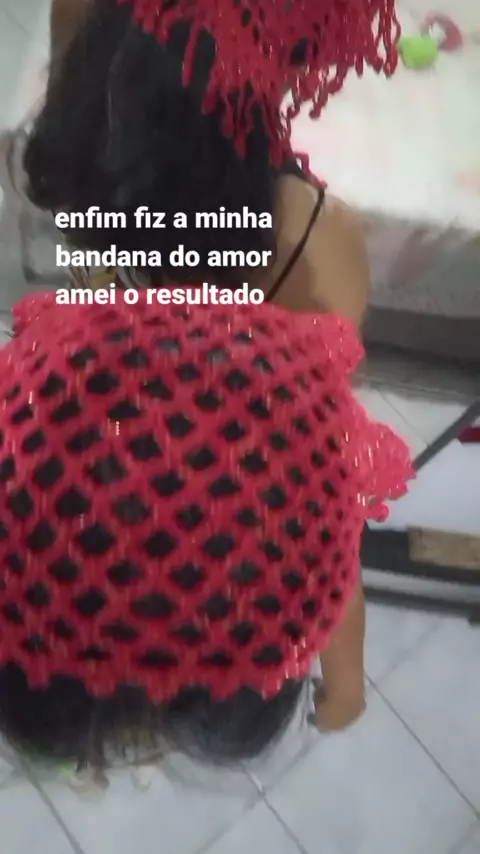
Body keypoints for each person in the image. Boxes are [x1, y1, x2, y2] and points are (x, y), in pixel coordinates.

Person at [0, 0, 410, 782]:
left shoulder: (92, 185)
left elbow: (316, 475)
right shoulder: (315, 244)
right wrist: (345, 665)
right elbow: (319, 477)